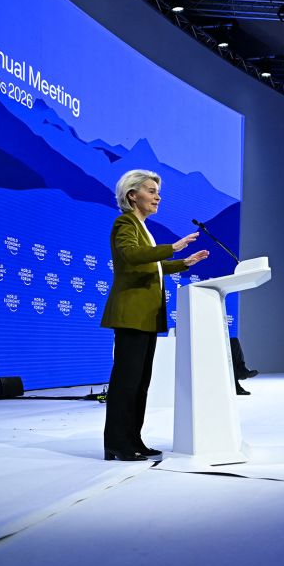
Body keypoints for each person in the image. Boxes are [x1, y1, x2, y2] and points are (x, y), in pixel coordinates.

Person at [101, 169, 209, 461]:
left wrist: (183, 262)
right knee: (126, 382)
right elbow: (131, 257)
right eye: (150, 190)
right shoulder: (125, 223)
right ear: (132, 195)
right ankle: (117, 443)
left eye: (157, 191)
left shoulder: (143, 227)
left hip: (146, 316)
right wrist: (171, 247)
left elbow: (151, 266)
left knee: (140, 382)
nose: (157, 196)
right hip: (131, 314)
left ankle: (133, 440)